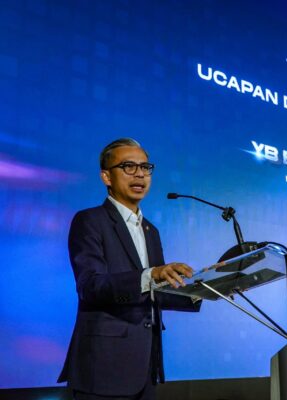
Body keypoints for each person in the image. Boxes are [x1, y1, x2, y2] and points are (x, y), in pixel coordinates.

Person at [58, 138, 201, 400]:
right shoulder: (90, 220)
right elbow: (91, 286)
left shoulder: (151, 231)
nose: (139, 174)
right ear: (106, 177)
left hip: (146, 368)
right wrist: (151, 274)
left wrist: (206, 288)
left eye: (145, 167)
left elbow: (154, 292)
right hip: (103, 368)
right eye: (128, 166)